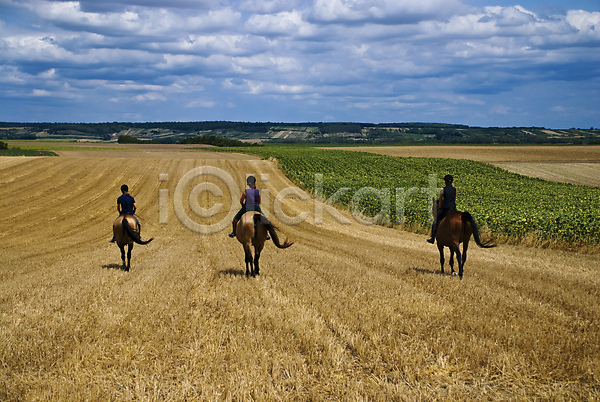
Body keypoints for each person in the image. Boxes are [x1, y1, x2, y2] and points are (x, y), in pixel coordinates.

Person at [427, 174, 457, 244]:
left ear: (445, 182)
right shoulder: (455, 190)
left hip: (445, 209)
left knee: (435, 221)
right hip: (453, 208)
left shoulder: (442, 190)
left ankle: (432, 237)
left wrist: (440, 207)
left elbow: (440, 201)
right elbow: (454, 200)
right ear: (452, 182)